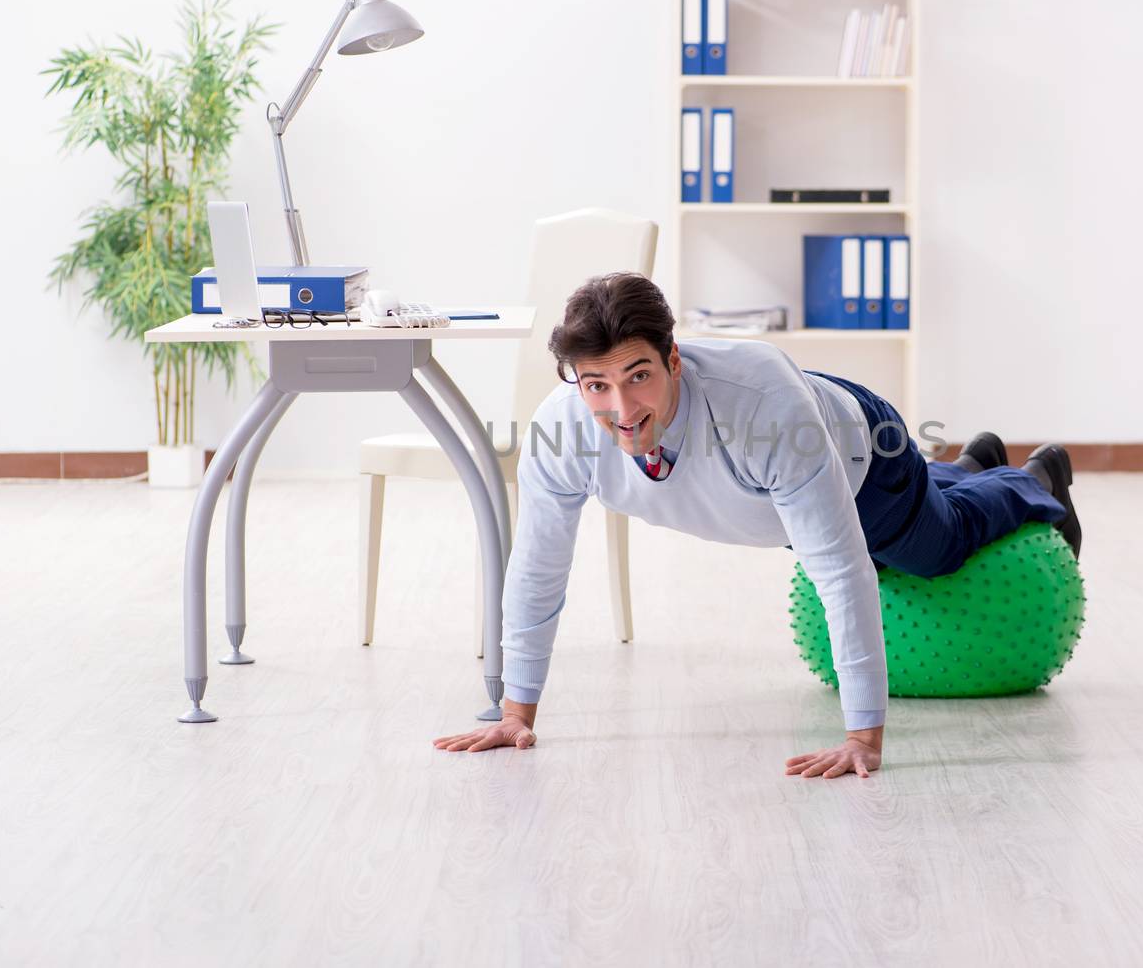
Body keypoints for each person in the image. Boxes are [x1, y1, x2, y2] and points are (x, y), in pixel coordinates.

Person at [432, 273, 1080, 779]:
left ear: (674, 360)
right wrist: (516, 714)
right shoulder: (560, 431)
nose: (622, 409)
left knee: (932, 551)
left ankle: (1034, 481)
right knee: (893, 525)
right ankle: (973, 465)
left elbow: (839, 567)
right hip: (789, 450)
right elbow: (539, 572)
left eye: (638, 377)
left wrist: (863, 735)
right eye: (596, 385)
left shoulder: (764, 415)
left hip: (861, 458)